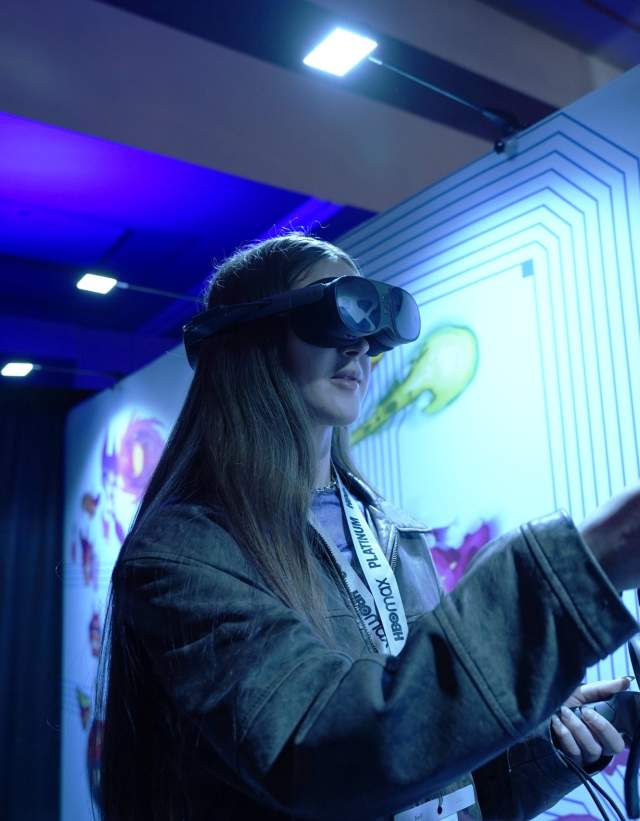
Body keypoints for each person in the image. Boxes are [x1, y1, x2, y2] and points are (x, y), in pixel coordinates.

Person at [98, 232, 640, 821]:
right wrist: (587, 564)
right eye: (331, 316)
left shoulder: (387, 532)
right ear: (248, 337)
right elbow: (321, 755)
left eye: (370, 324)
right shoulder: (187, 554)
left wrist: (535, 748)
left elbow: (414, 775)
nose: (359, 345)